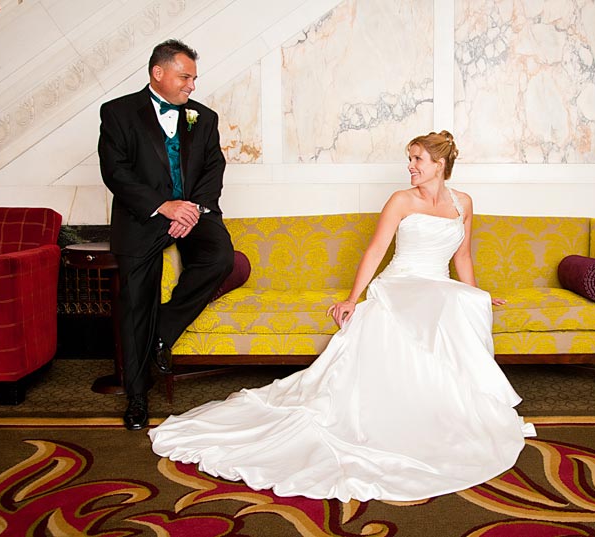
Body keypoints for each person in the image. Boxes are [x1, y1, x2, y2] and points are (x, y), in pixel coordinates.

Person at [149, 130, 535, 501]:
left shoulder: (463, 203)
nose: (411, 167)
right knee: (446, 302)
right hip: (402, 284)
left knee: (463, 302)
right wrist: (353, 298)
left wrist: (475, 293)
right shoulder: (402, 200)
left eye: (417, 160)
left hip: (436, 285)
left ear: (439, 164)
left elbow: (462, 256)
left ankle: (453, 413)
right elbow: (375, 250)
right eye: (410, 159)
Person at [98, 39, 234, 431]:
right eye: (185, 76)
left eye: (194, 77)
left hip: (194, 212)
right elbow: (116, 172)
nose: (192, 85)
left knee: (219, 257)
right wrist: (164, 206)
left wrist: (192, 211)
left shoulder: (203, 118)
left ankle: (163, 332)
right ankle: (137, 397)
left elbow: (213, 169)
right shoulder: (118, 112)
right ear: (158, 73)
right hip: (144, 216)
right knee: (136, 301)